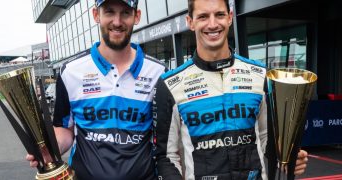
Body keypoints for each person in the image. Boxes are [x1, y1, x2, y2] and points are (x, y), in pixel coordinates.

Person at [153, 0, 308, 179]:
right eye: (203, 16)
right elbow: (166, 157)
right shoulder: (171, 84)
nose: (212, 24)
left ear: (230, 17)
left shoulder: (259, 74)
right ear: (190, 22)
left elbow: (267, 139)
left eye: (219, 14)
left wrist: (287, 158)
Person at [26, 0, 166, 179]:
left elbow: (167, 140)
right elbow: (64, 130)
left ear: (136, 16)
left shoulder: (158, 73)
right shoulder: (71, 71)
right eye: (109, 12)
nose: (117, 21)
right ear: (96, 15)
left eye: (125, 13)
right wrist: (49, 149)